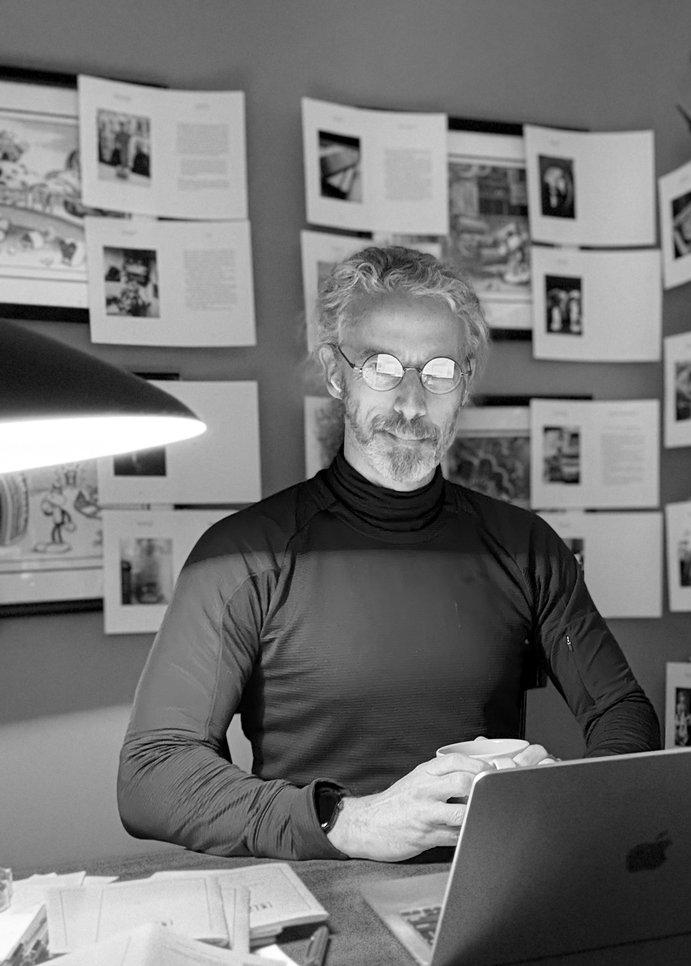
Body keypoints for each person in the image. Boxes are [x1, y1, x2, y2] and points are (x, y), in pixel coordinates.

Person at [117, 245, 660, 863]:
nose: (409, 402)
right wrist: (351, 821)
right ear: (334, 372)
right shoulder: (240, 557)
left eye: (437, 373)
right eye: (380, 366)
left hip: (491, 884)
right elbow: (150, 776)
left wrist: (572, 796)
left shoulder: (527, 548)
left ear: (464, 382)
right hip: (324, 892)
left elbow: (623, 711)